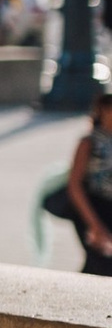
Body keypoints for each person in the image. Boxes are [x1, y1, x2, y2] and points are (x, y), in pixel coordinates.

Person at [49, 84, 112, 279]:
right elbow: (75, 185)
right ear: (100, 110)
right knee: (102, 266)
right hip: (93, 208)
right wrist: (94, 224)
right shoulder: (89, 142)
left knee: (97, 268)